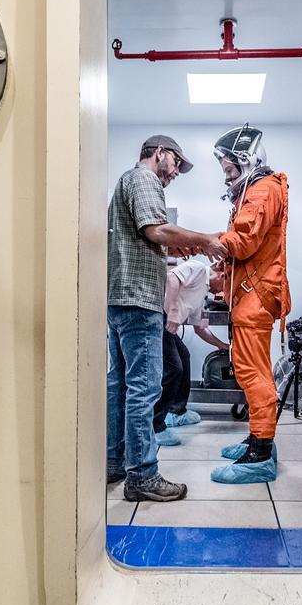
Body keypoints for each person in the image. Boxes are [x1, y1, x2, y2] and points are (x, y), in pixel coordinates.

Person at [107, 135, 225, 501]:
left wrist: (176, 244)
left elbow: (149, 238)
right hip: (140, 300)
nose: (175, 173)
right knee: (145, 388)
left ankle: (115, 462)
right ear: (159, 153)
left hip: (119, 298)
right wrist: (205, 239)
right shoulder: (144, 179)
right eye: (175, 163)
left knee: (122, 386)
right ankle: (142, 476)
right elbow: (155, 230)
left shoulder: (126, 182)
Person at [208, 125, 291, 485]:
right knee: (248, 371)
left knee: (254, 374)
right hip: (249, 296)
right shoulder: (256, 192)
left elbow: (242, 241)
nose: (227, 179)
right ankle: (257, 437)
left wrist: (204, 242)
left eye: (229, 170)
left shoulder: (263, 191)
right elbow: (244, 250)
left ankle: (260, 452)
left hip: (255, 298)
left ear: (247, 161)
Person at [155, 259, 231, 443]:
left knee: (184, 358)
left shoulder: (202, 295)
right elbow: (172, 278)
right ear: (220, 273)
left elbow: (199, 329)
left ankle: (177, 412)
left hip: (167, 324)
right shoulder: (198, 269)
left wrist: (223, 346)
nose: (222, 292)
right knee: (174, 369)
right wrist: (173, 312)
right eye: (224, 285)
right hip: (160, 317)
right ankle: (155, 426)